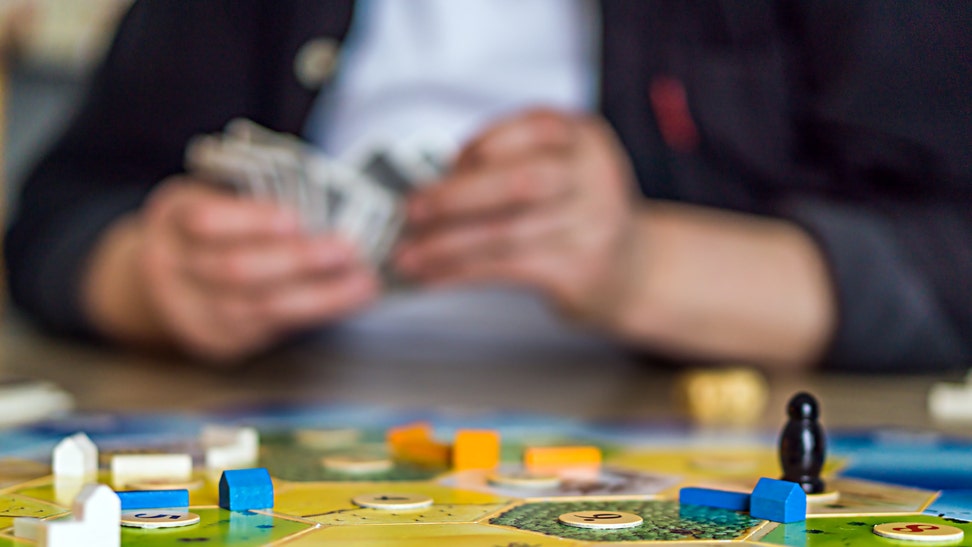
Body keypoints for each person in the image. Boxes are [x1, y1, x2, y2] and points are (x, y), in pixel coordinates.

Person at [4, 1, 970, 371]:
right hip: (286, 439)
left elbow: (952, 268)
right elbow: (62, 212)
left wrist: (641, 265)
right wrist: (146, 276)